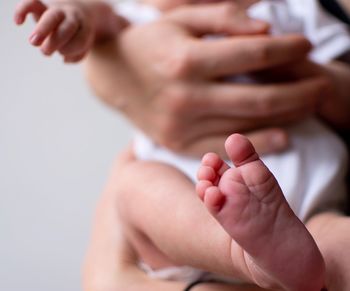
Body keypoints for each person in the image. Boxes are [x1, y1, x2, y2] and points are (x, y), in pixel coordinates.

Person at [14, 0, 350, 290]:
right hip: (188, 221)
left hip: (315, 217)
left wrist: (297, 72)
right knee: (134, 188)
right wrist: (70, 16)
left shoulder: (292, 11)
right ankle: (241, 253)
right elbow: (97, 17)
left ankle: (277, 254)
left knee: (341, 247)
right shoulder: (142, 21)